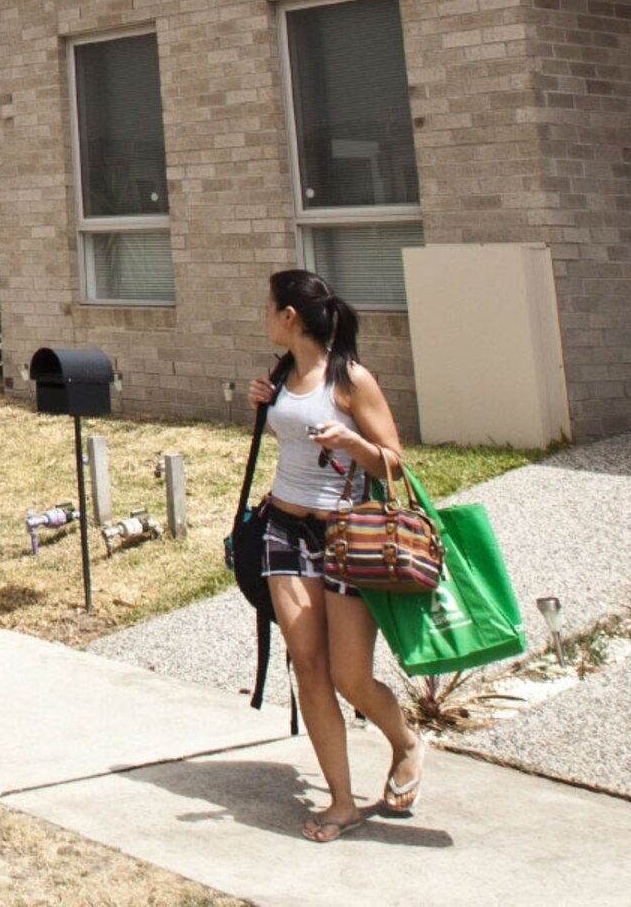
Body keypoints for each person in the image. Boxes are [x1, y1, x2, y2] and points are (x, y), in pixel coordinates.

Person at [246, 267, 425, 841]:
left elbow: (394, 460)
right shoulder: (282, 374)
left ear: (290, 317)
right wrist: (264, 406)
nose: (265, 316)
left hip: (347, 539)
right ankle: (342, 801)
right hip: (283, 529)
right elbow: (295, 440)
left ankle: (405, 742)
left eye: (269, 307)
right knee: (309, 664)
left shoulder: (350, 380)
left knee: (350, 675)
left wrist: (351, 442)